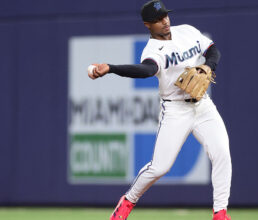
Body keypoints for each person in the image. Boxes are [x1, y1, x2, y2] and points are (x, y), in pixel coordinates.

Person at [88, 1, 232, 219]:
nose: (164, 21)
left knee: (222, 153)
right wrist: (112, 68)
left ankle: (220, 213)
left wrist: (209, 66)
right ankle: (127, 201)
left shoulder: (186, 31)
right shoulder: (153, 50)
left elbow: (213, 50)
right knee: (159, 167)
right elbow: (146, 70)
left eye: (165, 16)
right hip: (175, 111)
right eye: (158, 19)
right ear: (148, 25)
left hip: (203, 106)